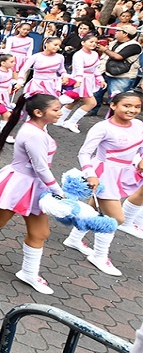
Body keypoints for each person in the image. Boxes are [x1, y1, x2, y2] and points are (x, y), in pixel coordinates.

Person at [0, 94, 64, 295]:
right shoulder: (34, 134)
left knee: (40, 233)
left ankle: (29, 272)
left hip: (37, 187)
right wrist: (58, 191)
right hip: (19, 185)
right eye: (56, 110)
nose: (60, 113)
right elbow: (40, 167)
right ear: (38, 113)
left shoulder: (39, 128)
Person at [63, 91, 143, 276]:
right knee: (116, 219)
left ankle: (74, 239)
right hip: (103, 174)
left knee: (95, 210)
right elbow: (84, 153)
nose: (132, 110)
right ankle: (99, 256)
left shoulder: (139, 125)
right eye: (127, 105)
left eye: (137, 107)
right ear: (113, 106)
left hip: (125, 172)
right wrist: (91, 175)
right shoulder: (102, 127)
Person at [56, 34, 105, 132]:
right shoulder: (78, 54)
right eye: (91, 42)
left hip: (89, 80)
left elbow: (95, 69)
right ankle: (71, 122)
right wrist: (78, 81)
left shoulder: (95, 54)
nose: (94, 44)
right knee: (91, 103)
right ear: (83, 43)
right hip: (82, 81)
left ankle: (59, 120)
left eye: (95, 42)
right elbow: (78, 70)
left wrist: (100, 79)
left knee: (74, 101)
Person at [89, 26, 142, 115]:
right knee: (97, 93)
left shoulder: (134, 46)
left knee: (117, 98)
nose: (116, 32)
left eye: (118, 31)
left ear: (125, 34)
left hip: (123, 76)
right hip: (106, 72)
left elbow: (118, 57)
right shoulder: (114, 42)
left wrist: (105, 49)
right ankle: (93, 111)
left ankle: (115, 117)